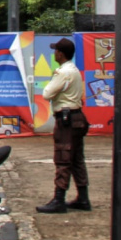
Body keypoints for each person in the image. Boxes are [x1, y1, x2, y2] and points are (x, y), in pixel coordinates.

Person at [37, 37, 91, 213]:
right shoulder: (74, 70)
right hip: (77, 117)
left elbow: (47, 93)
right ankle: (83, 197)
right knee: (77, 159)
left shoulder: (62, 72)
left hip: (66, 119)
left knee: (63, 158)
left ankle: (59, 199)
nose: (54, 53)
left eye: (56, 51)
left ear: (60, 53)